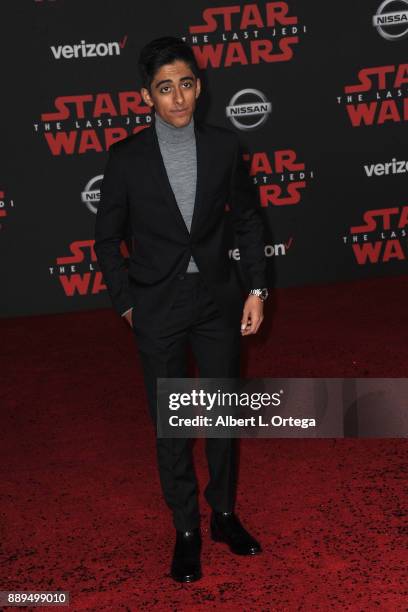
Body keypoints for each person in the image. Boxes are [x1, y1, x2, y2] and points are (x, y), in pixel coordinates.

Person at [94, 36, 269, 583]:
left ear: (199, 86)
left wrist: (256, 290)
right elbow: (106, 240)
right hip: (157, 306)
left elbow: (246, 219)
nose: (178, 98)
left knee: (220, 418)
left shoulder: (223, 146)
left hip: (218, 301)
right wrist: (127, 303)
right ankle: (186, 529)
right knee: (173, 426)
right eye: (165, 88)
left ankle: (222, 515)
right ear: (146, 95)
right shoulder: (125, 158)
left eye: (186, 84)